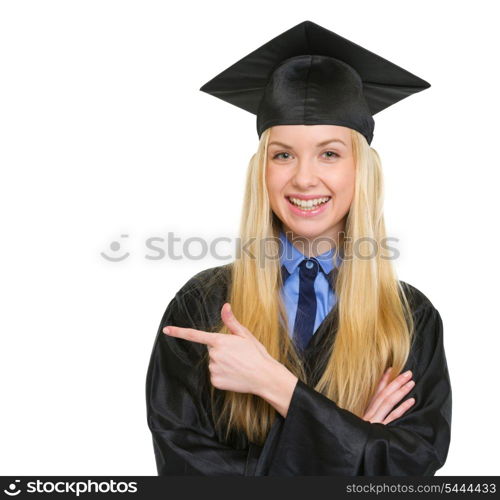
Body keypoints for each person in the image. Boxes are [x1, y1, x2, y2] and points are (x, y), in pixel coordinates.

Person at [145, 20, 452, 476]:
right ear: (262, 171)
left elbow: (407, 474)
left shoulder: (409, 318)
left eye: (329, 153)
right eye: (283, 154)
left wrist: (277, 386)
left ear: (360, 170)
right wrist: (354, 442)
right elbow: (187, 474)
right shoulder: (203, 306)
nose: (304, 178)